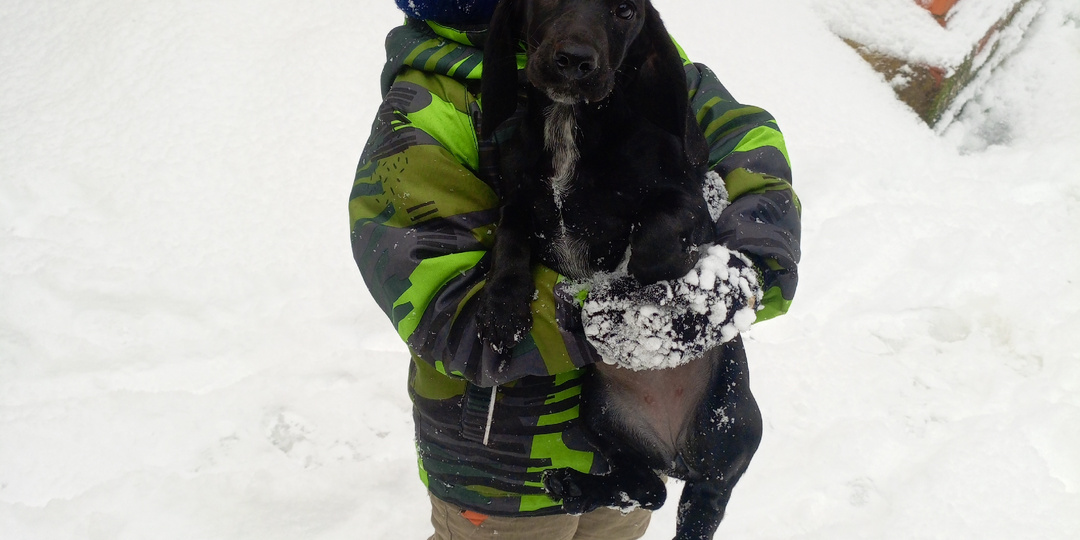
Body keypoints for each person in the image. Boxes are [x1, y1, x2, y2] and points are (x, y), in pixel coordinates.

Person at [349, 1, 801, 538]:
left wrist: (743, 271)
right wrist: (619, 316)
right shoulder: (425, 108)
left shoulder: (631, 50)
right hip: (503, 475)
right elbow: (442, 307)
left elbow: (747, 148)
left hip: (630, 452)